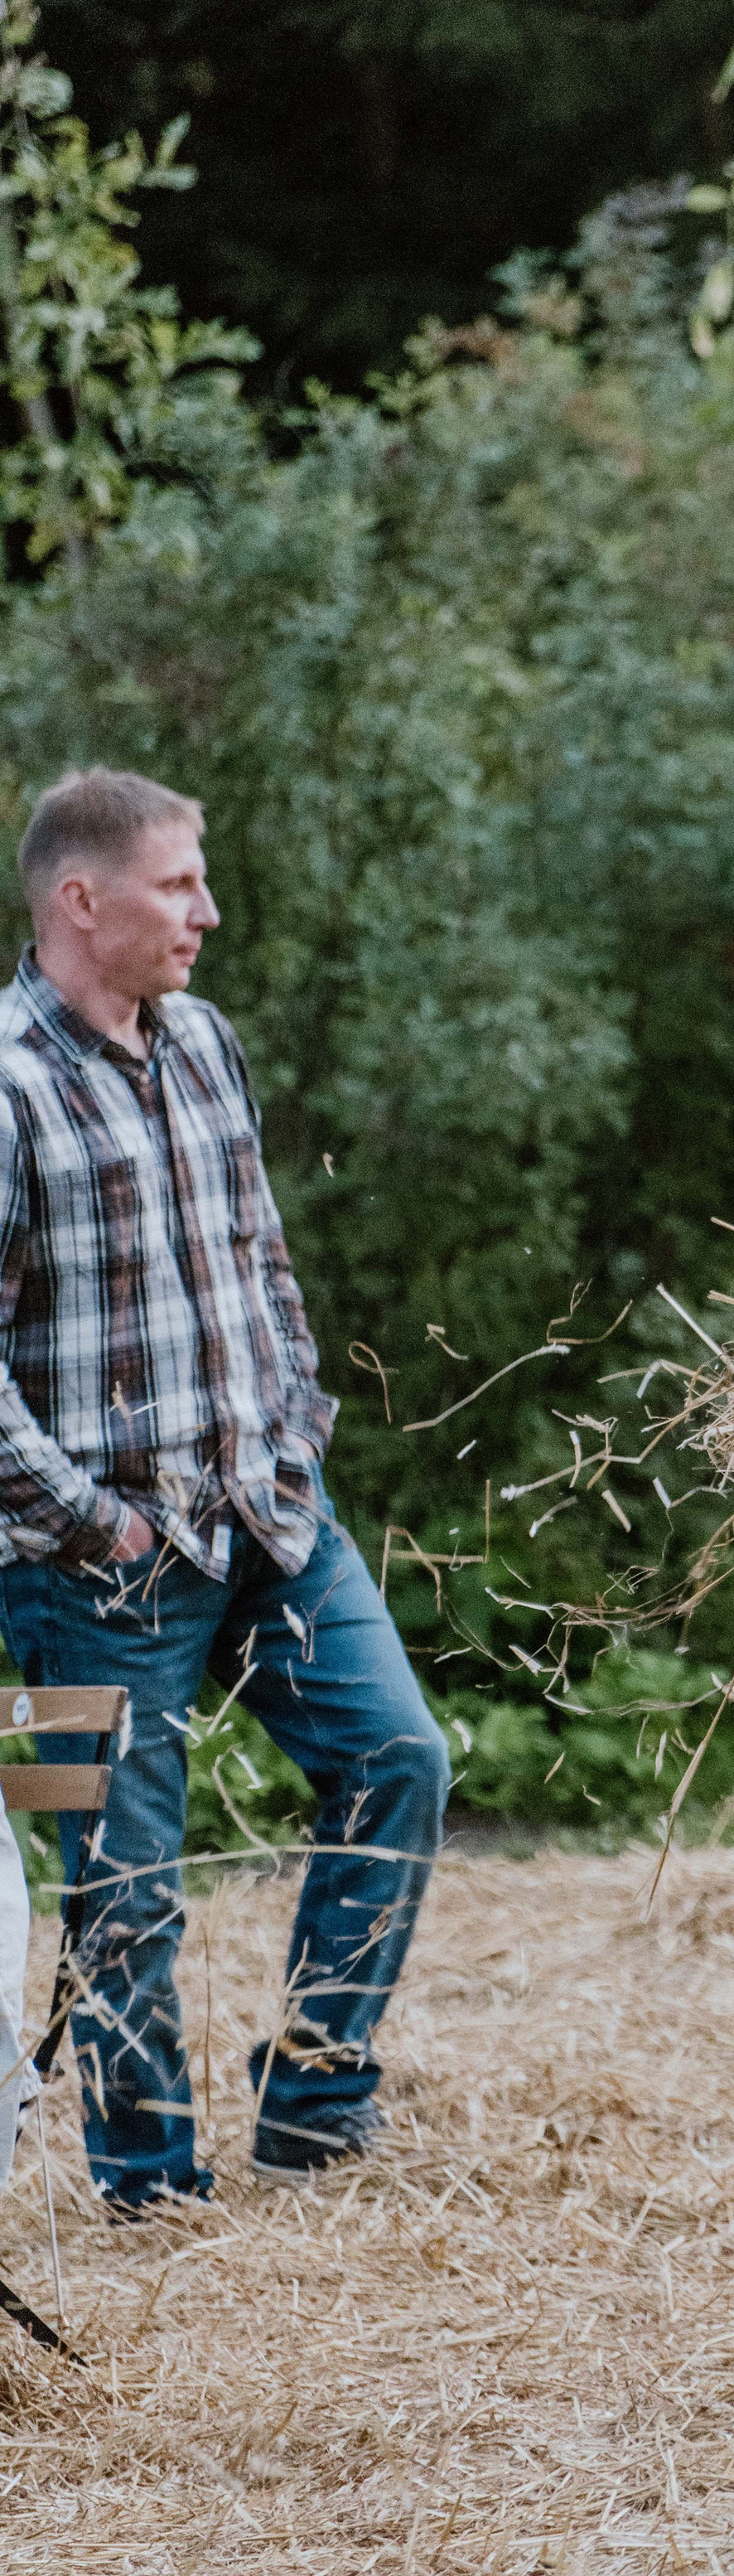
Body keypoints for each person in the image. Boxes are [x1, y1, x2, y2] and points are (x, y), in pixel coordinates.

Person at [0, 766, 450, 2213]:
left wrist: (299, 1431)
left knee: (403, 1764)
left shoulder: (206, 1040)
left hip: (270, 1520)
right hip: (75, 1578)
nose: (208, 909)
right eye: (178, 882)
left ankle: (318, 2109)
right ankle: (149, 2188)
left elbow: (262, 1261)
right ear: (82, 898)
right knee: (115, 1885)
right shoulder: (2, 1086)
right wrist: (96, 1519)